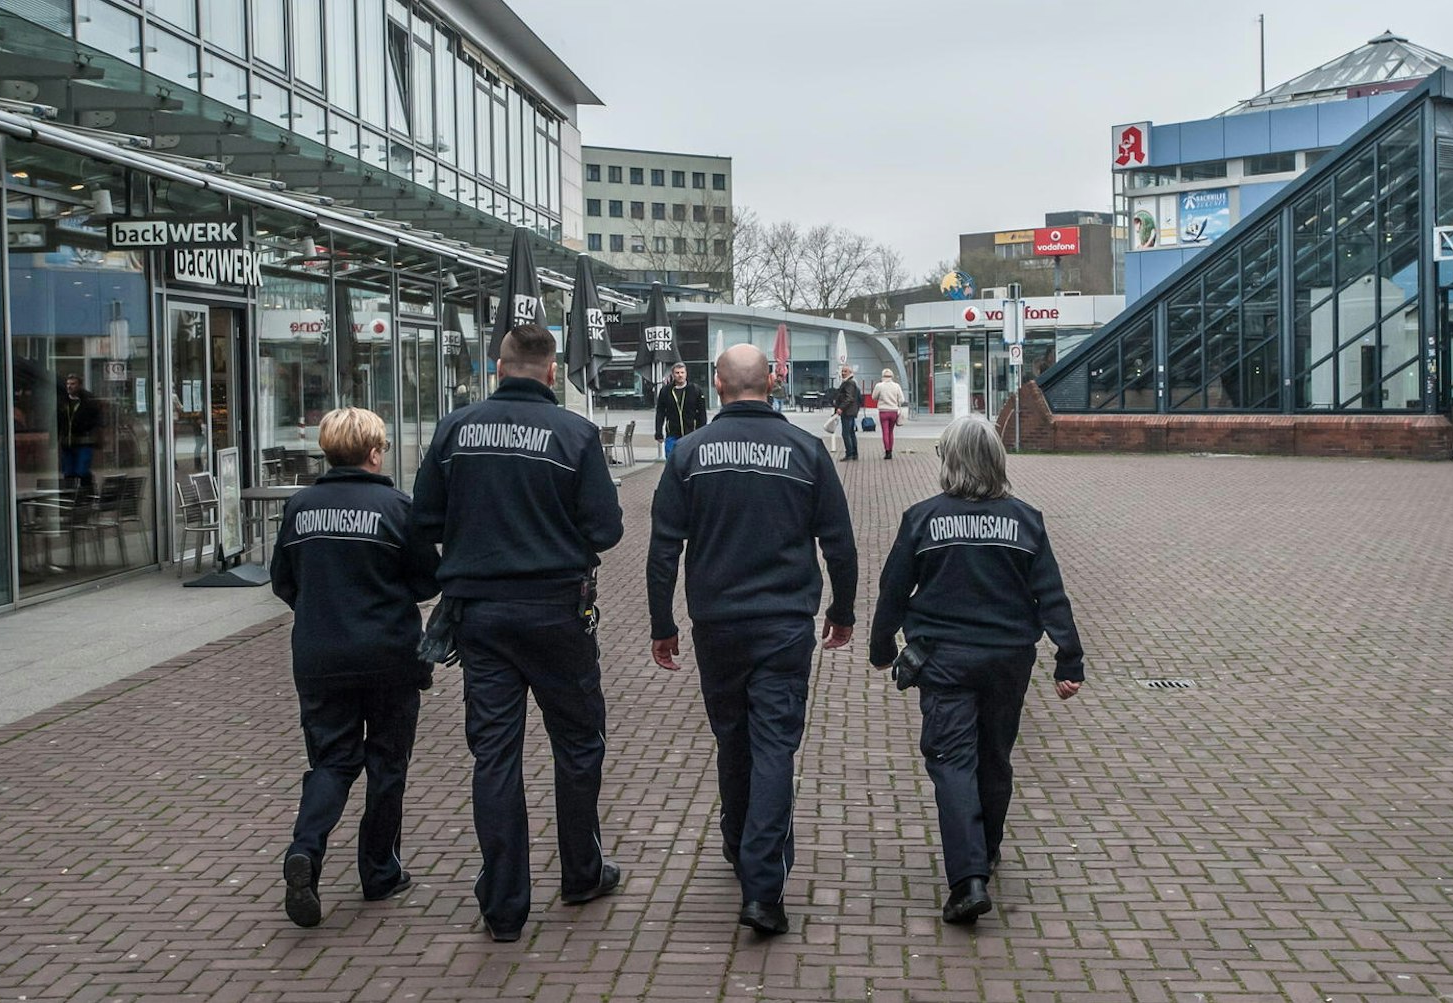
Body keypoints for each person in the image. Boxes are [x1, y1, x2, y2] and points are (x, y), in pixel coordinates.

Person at [411, 323, 626, 943]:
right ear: (551, 371)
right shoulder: (575, 434)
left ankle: (504, 905)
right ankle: (582, 872)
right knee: (579, 745)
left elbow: (424, 517)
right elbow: (607, 530)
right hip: (558, 611)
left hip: (481, 615)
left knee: (495, 756)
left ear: (497, 368)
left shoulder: (456, 428)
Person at [647, 344, 859, 937]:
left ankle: (740, 844)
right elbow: (839, 544)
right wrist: (842, 610)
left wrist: (662, 622)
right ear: (771, 381)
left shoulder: (688, 454)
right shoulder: (807, 452)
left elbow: (665, 547)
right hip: (784, 622)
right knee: (773, 745)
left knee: (733, 737)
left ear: (717, 385)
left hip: (716, 622)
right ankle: (762, 887)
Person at [868, 415, 1086, 926]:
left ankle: (967, 881)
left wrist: (882, 647)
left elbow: (893, 591)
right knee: (994, 756)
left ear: (950, 463)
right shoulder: (1026, 520)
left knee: (952, 760)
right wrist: (1068, 658)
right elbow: (1050, 594)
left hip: (943, 660)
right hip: (1008, 659)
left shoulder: (923, 519)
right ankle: (985, 849)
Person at [269, 407, 441, 929]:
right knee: (388, 762)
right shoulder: (396, 508)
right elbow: (428, 581)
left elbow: (283, 580)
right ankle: (378, 871)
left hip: (320, 657)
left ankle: (306, 849)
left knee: (332, 761)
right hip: (388, 656)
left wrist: (322, 611)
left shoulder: (300, 508)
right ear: (373, 452)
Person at [56, 374, 105, 492]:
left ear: (79, 385)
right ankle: (71, 496)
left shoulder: (89, 401)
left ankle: (88, 493)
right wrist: (56, 440)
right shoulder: (63, 401)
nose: (69, 387)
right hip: (67, 442)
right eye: (68, 384)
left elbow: (98, 419)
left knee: (81, 470)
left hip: (84, 441)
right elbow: (57, 421)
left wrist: (96, 434)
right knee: (68, 472)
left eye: (73, 384)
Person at [653, 362, 709, 459]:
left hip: (691, 433)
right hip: (672, 434)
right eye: (677, 373)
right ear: (673, 374)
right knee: (671, 462)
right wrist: (658, 432)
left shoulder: (695, 390)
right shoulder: (665, 391)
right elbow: (660, 412)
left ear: (686, 373)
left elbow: (702, 413)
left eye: (682, 372)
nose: (680, 375)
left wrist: (702, 432)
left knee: (690, 462)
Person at [872, 368, 908, 459]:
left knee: (885, 432)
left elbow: (874, 397)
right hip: (893, 412)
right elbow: (902, 400)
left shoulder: (879, 386)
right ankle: (891, 450)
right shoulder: (896, 386)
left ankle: (887, 451)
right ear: (892, 376)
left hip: (883, 411)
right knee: (891, 432)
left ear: (883, 376)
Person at [832, 365, 863, 461]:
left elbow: (849, 398)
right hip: (851, 412)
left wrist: (841, 408)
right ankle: (854, 453)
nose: (843, 373)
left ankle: (849, 453)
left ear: (850, 372)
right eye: (842, 371)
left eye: (845, 371)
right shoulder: (851, 383)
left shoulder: (849, 383)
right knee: (851, 432)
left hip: (847, 412)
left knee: (846, 433)